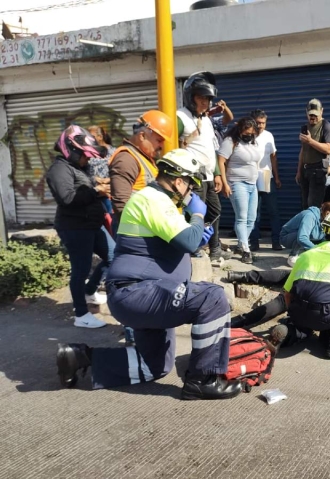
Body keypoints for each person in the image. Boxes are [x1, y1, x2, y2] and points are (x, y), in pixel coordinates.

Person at [55, 148, 242, 401]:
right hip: (137, 292)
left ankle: (79, 356)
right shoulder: (153, 199)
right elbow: (188, 240)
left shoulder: (160, 202)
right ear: (179, 181)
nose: (192, 194)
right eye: (191, 187)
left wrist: (196, 232)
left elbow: (180, 241)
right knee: (213, 297)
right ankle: (203, 380)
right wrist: (197, 215)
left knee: (155, 366)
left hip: (151, 293)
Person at [269, 208, 330, 359]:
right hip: (327, 316)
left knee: (308, 306)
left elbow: (287, 293)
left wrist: (295, 315)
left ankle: (296, 330)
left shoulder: (305, 255)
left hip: (298, 313)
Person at [45, 125, 115, 329]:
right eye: (85, 155)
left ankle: (90, 291)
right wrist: (97, 190)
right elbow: (68, 198)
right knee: (80, 270)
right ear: (71, 150)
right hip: (74, 227)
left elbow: (85, 184)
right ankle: (81, 314)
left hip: (92, 224)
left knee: (115, 256)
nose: (88, 159)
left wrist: (100, 183)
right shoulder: (58, 170)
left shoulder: (77, 167)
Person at [177, 71, 233, 265]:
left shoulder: (207, 120)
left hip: (209, 176)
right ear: (190, 97)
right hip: (193, 176)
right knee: (196, 213)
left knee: (215, 210)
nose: (205, 102)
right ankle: (194, 248)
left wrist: (217, 174)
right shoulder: (181, 117)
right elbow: (170, 145)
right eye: (201, 97)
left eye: (208, 99)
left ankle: (214, 247)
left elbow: (212, 148)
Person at [109, 110, 174, 233]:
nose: (161, 146)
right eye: (159, 140)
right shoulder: (126, 159)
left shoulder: (146, 157)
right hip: (134, 232)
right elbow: (121, 205)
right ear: (142, 136)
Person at [217, 117, 262, 264]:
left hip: (252, 184)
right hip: (237, 183)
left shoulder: (253, 142)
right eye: (246, 132)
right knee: (241, 217)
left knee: (252, 219)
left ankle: (241, 244)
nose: (249, 135)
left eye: (252, 133)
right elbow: (221, 162)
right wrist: (225, 183)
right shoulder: (230, 142)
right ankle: (246, 250)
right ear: (240, 130)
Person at [248, 109, 283, 252]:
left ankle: (276, 242)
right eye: (258, 123)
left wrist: (277, 177)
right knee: (254, 213)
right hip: (252, 176)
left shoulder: (269, 136)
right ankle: (254, 242)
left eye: (263, 123)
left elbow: (273, 157)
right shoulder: (247, 136)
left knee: (273, 211)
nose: (261, 126)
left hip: (266, 175)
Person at [296, 98, 330, 209]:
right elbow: (303, 150)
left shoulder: (326, 126)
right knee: (305, 205)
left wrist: (310, 141)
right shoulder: (305, 127)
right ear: (306, 112)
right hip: (305, 170)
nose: (313, 117)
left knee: (313, 205)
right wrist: (299, 171)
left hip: (318, 170)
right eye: (310, 114)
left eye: (316, 114)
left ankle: (314, 226)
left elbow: (328, 149)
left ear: (322, 111)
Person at [279, 198, 330, 267]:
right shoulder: (310, 216)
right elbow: (302, 238)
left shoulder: (324, 218)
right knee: (301, 236)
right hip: (287, 237)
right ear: (327, 213)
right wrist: (317, 250)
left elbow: (323, 238)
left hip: (307, 236)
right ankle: (293, 255)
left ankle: (306, 252)